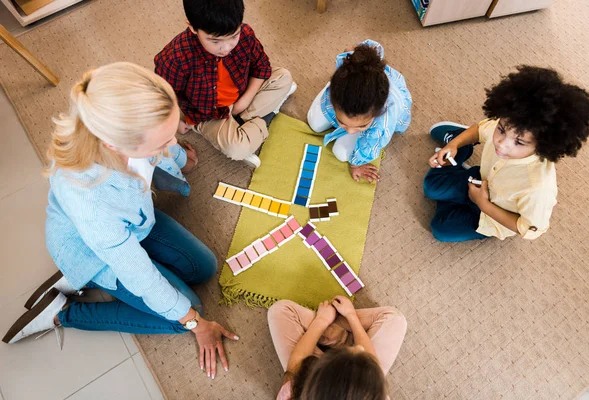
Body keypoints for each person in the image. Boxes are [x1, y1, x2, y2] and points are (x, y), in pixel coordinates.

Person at [2, 62, 237, 380]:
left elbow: (162, 149)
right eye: (161, 142)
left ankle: (79, 279)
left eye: (172, 131)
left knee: (204, 267)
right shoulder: (90, 201)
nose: (171, 145)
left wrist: (178, 156)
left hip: (132, 224)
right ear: (116, 145)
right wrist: (195, 323)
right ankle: (66, 313)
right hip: (93, 249)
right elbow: (140, 274)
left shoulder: (120, 114)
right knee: (184, 310)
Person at [423, 65, 589, 242]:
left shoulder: (538, 188)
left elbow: (529, 229)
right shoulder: (513, 124)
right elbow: (480, 128)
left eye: (519, 142)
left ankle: (458, 163)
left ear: (544, 146)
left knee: (440, 230)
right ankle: (459, 142)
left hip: (493, 215)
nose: (502, 143)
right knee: (430, 188)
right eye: (500, 129)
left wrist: (482, 204)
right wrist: (454, 144)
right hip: (480, 180)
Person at [154, 0, 296, 169]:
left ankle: (243, 124)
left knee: (284, 77)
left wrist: (243, 101)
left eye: (234, 36)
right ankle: (261, 118)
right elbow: (163, 94)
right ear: (192, 27)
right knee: (237, 149)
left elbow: (261, 66)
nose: (226, 48)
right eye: (215, 41)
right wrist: (176, 119)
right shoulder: (176, 57)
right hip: (207, 113)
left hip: (242, 94)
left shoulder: (245, 33)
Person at [307, 40, 412, 183]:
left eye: (361, 126)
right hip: (349, 89)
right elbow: (352, 50)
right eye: (342, 122)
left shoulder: (382, 124)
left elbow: (369, 146)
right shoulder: (349, 68)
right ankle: (337, 90)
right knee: (314, 123)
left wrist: (356, 165)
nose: (350, 131)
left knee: (341, 154)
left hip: (379, 109)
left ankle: (352, 122)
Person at [268, 297, 407, 400]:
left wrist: (321, 321)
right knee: (395, 319)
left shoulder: (293, 392)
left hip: (309, 373)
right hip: (362, 378)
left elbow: (297, 361)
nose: (359, 347)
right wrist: (351, 316)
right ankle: (339, 334)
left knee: (280, 310)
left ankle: (330, 332)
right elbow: (371, 361)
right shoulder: (374, 392)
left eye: (352, 349)